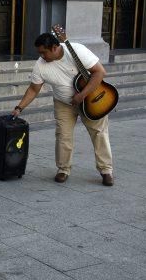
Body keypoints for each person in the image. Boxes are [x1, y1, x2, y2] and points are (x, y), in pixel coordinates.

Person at [12, 33, 114, 186]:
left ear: (54, 47)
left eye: (43, 52)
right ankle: (63, 169)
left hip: (92, 100)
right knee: (63, 135)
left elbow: (100, 72)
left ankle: (106, 170)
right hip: (64, 103)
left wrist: (81, 95)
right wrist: (19, 108)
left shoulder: (77, 50)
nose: (41, 56)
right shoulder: (40, 65)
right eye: (39, 52)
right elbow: (33, 89)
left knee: (99, 133)